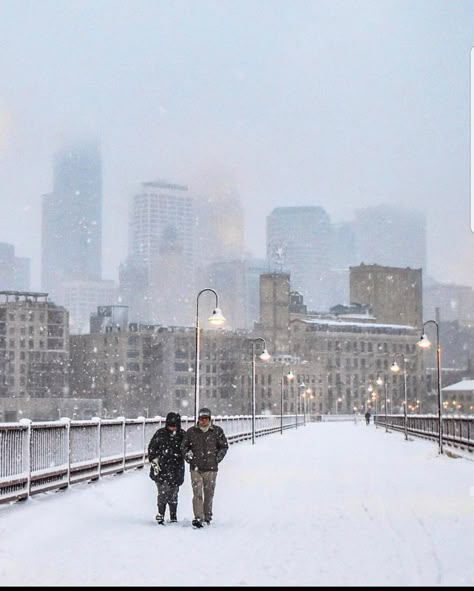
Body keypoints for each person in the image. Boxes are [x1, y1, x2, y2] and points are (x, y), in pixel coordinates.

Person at [181, 407, 229, 529]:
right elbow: (183, 447)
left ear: (209, 419)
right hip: (195, 468)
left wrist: (217, 458)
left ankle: (207, 516)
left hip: (211, 468)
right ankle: (198, 517)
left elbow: (224, 446)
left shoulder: (217, 431)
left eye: (206, 419)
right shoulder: (191, 432)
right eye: (201, 419)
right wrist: (188, 458)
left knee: (209, 494)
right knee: (197, 494)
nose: (203, 421)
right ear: (198, 419)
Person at [148, 411, 185, 525]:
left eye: (174, 426)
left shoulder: (182, 435)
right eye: (170, 425)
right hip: (161, 468)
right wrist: (156, 467)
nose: (172, 428)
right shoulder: (160, 434)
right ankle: (161, 514)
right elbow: (152, 451)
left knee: (173, 493)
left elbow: (186, 449)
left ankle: (173, 515)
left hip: (176, 468)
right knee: (162, 493)